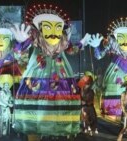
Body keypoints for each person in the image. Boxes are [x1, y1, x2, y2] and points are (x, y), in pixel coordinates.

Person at [10, 3, 90, 137]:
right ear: (40, 28)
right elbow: (19, 56)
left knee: (62, 102)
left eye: (57, 27)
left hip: (62, 73)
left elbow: (72, 50)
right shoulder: (35, 40)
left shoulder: (63, 42)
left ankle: (60, 128)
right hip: (37, 73)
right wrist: (19, 43)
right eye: (48, 27)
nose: (53, 32)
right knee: (39, 103)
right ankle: (38, 127)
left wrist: (82, 43)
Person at [0, 27, 23, 116]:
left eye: (5, 38)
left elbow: (19, 49)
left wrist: (20, 42)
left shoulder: (13, 53)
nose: (1, 41)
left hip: (11, 77)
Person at [78, 72, 98, 136]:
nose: (87, 85)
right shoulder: (81, 91)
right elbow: (79, 98)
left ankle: (92, 128)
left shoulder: (91, 90)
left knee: (93, 118)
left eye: (88, 84)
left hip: (90, 106)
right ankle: (87, 128)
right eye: (86, 84)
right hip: (84, 107)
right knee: (85, 118)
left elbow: (93, 98)